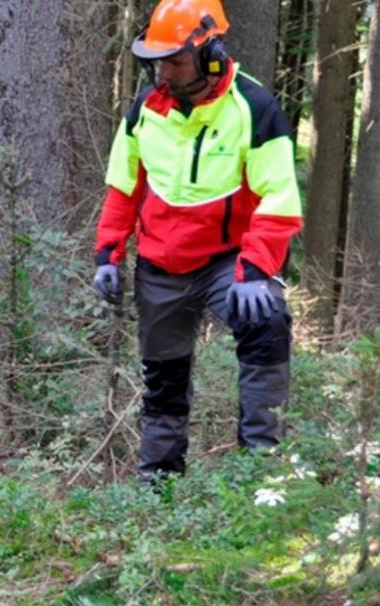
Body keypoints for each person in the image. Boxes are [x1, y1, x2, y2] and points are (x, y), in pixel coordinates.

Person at [92, 0, 302, 482]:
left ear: (211, 54)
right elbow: (123, 189)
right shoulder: (145, 111)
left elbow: (278, 200)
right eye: (158, 60)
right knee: (163, 378)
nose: (164, 70)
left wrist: (256, 270)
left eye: (175, 59)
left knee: (266, 320)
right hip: (160, 264)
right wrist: (108, 253)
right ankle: (157, 485)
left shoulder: (255, 108)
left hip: (229, 260)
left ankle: (259, 467)